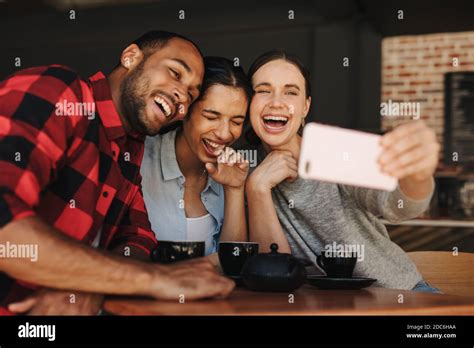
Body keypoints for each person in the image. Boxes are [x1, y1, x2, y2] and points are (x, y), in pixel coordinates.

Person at [0, 31, 234, 316]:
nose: (181, 96)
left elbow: (137, 238)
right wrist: (154, 280)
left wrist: (93, 284)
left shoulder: (129, 148)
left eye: (191, 94)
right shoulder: (62, 92)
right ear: (130, 57)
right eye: (175, 73)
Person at [245, 50, 441, 292]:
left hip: (401, 295)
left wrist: (418, 174)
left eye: (291, 92)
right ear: (248, 103)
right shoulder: (244, 171)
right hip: (324, 307)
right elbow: (273, 271)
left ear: (305, 107)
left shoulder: (333, 151)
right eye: (263, 90)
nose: (276, 102)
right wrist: (257, 189)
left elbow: (397, 205)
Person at [141, 57, 251, 256]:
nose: (225, 133)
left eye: (236, 122)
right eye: (211, 117)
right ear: (185, 111)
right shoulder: (138, 159)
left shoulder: (234, 171)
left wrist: (234, 189)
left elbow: (234, 263)